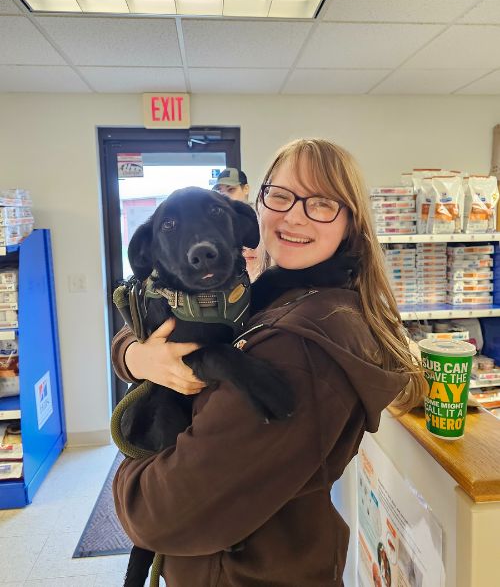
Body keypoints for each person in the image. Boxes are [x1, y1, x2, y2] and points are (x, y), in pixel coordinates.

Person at [112, 138, 425, 587]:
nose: (294, 215)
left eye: (321, 203)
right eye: (280, 196)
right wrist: (136, 356)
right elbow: (150, 324)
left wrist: (127, 476)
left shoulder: (300, 349)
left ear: (351, 223)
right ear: (258, 206)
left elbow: (156, 517)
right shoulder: (275, 293)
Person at [214, 167, 260, 281]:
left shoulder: (260, 216)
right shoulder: (217, 222)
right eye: (220, 191)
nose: (224, 196)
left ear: (246, 189)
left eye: (231, 190)